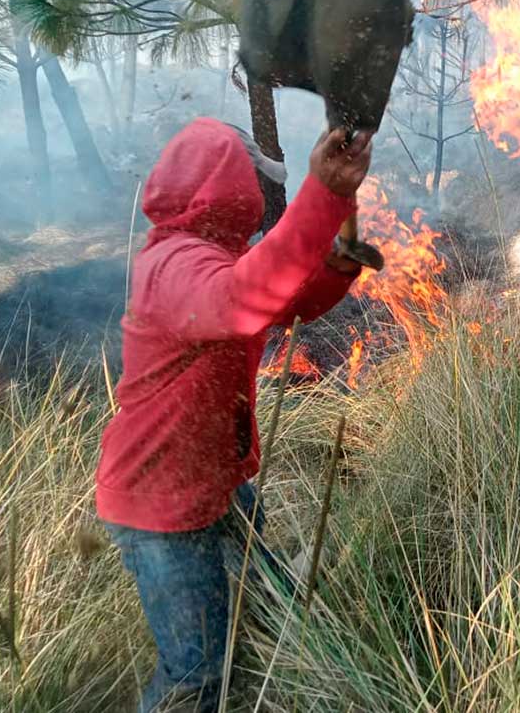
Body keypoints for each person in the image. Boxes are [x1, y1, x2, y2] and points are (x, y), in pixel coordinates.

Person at [95, 116, 372, 712]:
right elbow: (241, 302)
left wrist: (337, 264)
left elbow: (283, 301)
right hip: (162, 504)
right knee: (195, 673)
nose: (258, 186)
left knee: (264, 597)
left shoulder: (212, 260)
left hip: (213, 482)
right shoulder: (171, 265)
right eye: (249, 175)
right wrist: (321, 194)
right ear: (220, 183)